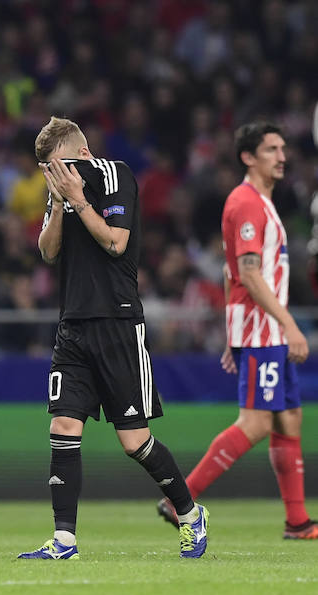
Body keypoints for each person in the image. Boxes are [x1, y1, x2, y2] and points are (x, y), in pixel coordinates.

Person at [17, 117, 208, 560]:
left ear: (81, 154)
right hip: (73, 326)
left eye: (56, 166)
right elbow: (47, 252)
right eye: (45, 169)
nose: (52, 174)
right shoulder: (57, 190)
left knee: (134, 441)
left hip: (117, 323)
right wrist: (58, 200)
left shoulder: (114, 175)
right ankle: (64, 540)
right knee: (62, 428)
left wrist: (79, 199)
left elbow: (116, 243)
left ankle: (190, 513)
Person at [157, 122, 317, 539]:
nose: (282, 156)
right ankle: (181, 501)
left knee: (289, 420)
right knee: (257, 423)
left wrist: (233, 331)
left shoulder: (261, 202)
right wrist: (288, 324)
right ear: (248, 157)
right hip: (265, 332)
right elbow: (247, 273)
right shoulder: (246, 203)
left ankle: (297, 522)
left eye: (283, 148)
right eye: (271, 149)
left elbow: (231, 272)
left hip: (263, 332)